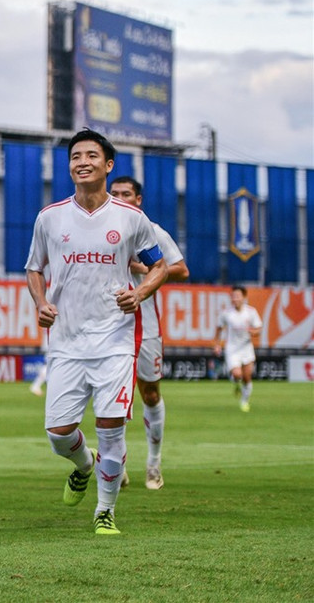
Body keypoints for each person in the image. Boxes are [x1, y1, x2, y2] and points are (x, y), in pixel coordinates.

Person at [25, 129, 167, 535]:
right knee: (58, 434)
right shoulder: (49, 218)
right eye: (75, 156)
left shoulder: (131, 219)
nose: (81, 161)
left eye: (91, 155)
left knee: (110, 428)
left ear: (108, 165)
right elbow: (34, 268)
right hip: (67, 341)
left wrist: (139, 293)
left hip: (115, 342)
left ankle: (105, 511)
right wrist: (41, 303)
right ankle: (83, 465)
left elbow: (158, 266)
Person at [110, 176, 190, 490]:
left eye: (126, 194)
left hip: (146, 328)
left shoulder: (152, 231)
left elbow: (181, 270)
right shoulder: (97, 231)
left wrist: (143, 267)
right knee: (111, 398)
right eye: (114, 193)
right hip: (108, 327)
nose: (119, 198)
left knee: (151, 394)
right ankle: (117, 464)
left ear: (138, 199)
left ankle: (154, 463)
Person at [213, 285, 262, 412]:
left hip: (246, 348)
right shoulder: (227, 313)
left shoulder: (251, 312)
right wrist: (217, 344)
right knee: (237, 374)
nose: (235, 299)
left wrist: (253, 331)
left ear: (244, 297)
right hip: (232, 348)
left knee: (247, 377)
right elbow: (219, 327)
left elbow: (258, 328)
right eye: (233, 296)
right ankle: (235, 381)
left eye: (238, 296)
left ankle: (244, 401)